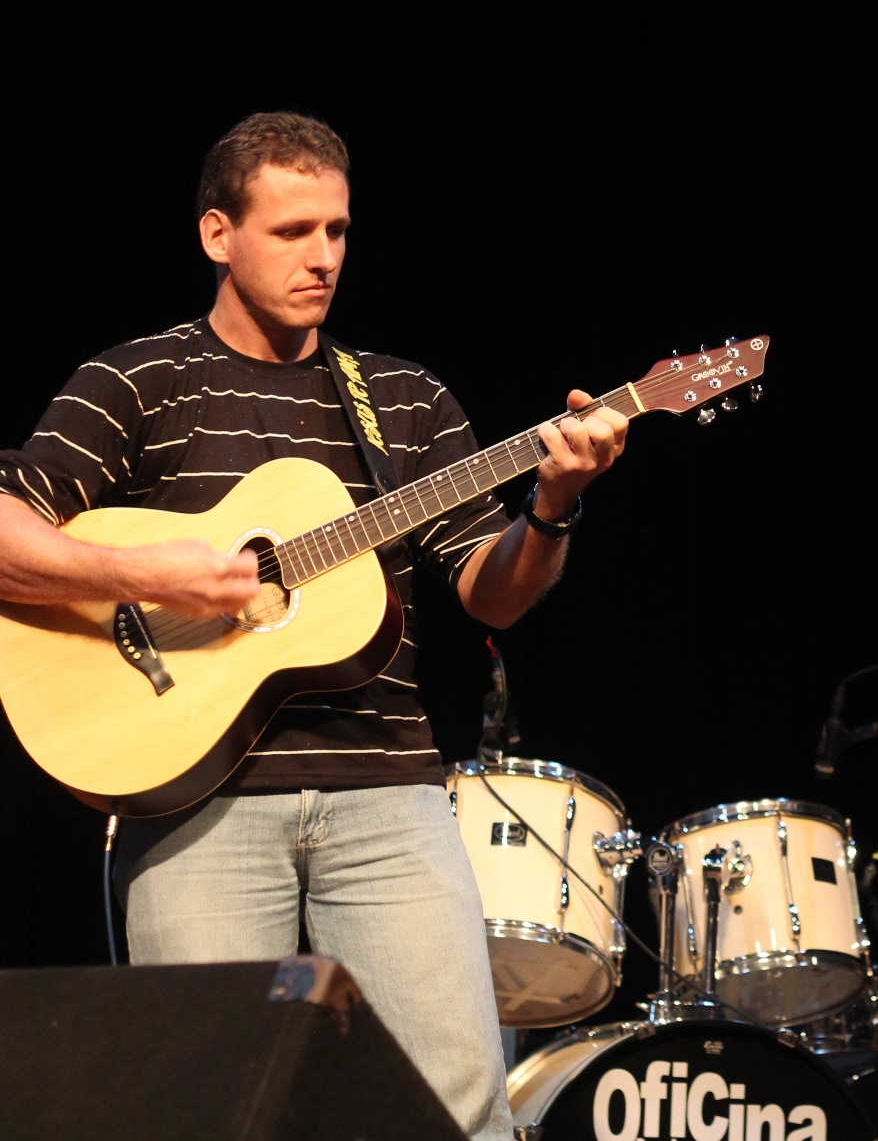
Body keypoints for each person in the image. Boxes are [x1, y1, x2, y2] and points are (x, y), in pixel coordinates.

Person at [0, 112, 628, 1141]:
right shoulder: (136, 382)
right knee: (206, 1110)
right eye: (293, 231)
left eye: (337, 230)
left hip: (387, 792)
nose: (324, 256)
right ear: (218, 235)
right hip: (195, 799)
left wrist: (553, 506)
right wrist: (149, 569)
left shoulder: (401, 400)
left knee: (457, 1113)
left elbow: (492, 593)